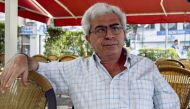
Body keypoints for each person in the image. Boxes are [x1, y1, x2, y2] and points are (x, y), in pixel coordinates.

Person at [0, 3, 180, 109]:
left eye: (115, 28)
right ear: (88, 38)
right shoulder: (74, 69)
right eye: (101, 29)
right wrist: (21, 58)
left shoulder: (146, 67)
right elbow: (37, 66)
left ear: (124, 33)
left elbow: (169, 105)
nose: (109, 35)